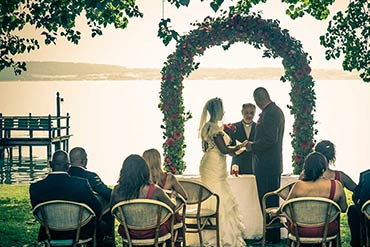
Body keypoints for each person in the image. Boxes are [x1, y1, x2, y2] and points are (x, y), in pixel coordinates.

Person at [198, 97, 247, 247]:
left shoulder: (206, 127)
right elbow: (224, 150)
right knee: (220, 194)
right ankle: (221, 235)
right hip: (215, 165)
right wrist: (240, 146)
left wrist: (232, 150)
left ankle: (207, 231)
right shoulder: (215, 130)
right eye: (222, 109)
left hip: (207, 163)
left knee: (210, 194)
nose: (224, 111)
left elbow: (206, 148)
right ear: (218, 111)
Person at [29, 150, 102, 244]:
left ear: (50, 164)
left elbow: (36, 212)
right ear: (68, 166)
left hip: (50, 232)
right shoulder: (81, 184)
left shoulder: (36, 187)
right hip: (78, 232)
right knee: (101, 226)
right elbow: (97, 208)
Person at [245, 87, 285, 243]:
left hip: (268, 166)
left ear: (257, 100)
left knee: (268, 202)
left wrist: (252, 146)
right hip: (269, 165)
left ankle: (271, 236)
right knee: (268, 202)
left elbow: (270, 139)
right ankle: (270, 235)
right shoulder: (273, 111)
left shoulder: (271, 113)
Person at [110, 154, 176, 241]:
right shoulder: (155, 190)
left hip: (129, 233)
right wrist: (173, 198)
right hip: (153, 233)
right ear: (145, 170)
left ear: (124, 171)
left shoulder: (117, 190)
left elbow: (112, 210)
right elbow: (173, 208)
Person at [287, 152, 347, 239]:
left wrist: (275, 212)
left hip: (301, 230)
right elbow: (344, 209)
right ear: (324, 167)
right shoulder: (336, 185)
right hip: (326, 230)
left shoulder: (298, 186)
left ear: (306, 167)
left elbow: (286, 207)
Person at [68, 147, 115, 246]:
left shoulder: (65, 176)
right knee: (108, 205)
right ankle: (108, 240)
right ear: (83, 160)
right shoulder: (90, 177)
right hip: (85, 222)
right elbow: (107, 193)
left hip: (65, 220)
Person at [227, 103, 256, 174]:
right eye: (246, 113)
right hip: (237, 164)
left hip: (254, 165)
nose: (249, 115)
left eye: (252, 113)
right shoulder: (233, 127)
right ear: (242, 112)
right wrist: (235, 150)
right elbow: (228, 147)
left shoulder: (259, 127)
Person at [347, 169, 370, 247]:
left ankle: (357, 242)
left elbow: (356, 197)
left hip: (368, 218)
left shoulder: (366, 176)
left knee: (353, 210)